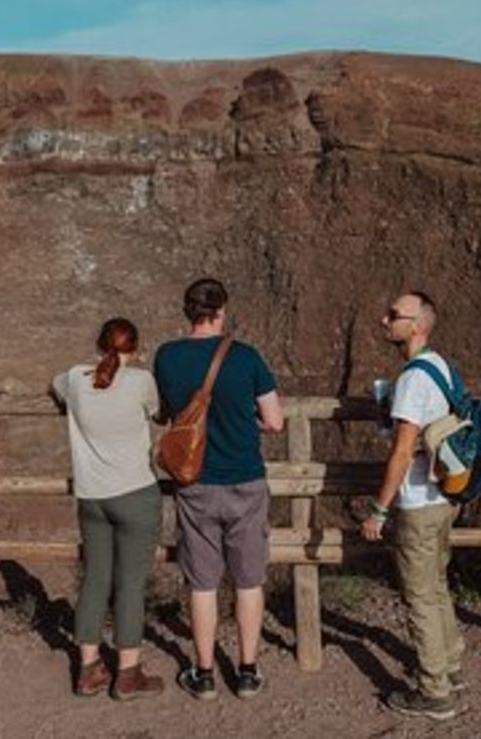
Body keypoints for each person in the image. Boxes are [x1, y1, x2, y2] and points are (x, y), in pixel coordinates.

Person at [153, 278, 284, 701]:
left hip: (195, 483)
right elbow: (275, 420)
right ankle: (247, 671)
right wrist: (248, 418)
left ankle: (204, 673)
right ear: (221, 311)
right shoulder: (245, 357)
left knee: (203, 583)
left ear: (187, 312)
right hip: (245, 479)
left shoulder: (168, 357)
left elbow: (167, 412)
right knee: (248, 581)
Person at [360, 291, 466, 721]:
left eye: (395, 315)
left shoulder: (411, 380)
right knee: (436, 585)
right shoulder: (441, 366)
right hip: (445, 496)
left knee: (419, 595)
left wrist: (380, 509)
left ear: (417, 325)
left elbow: (402, 452)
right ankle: (450, 665)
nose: (385, 320)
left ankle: (435, 692)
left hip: (419, 500)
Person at [52, 318, 164, 700]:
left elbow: (55, 386)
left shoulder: (74, 378)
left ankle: (88, 669)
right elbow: (157, 412)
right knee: (129, 584)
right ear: (134, 348)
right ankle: (128, 673)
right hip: (135, 493)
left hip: (91, 496)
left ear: (99, 346)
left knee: (96, 577)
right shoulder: (141, 381)